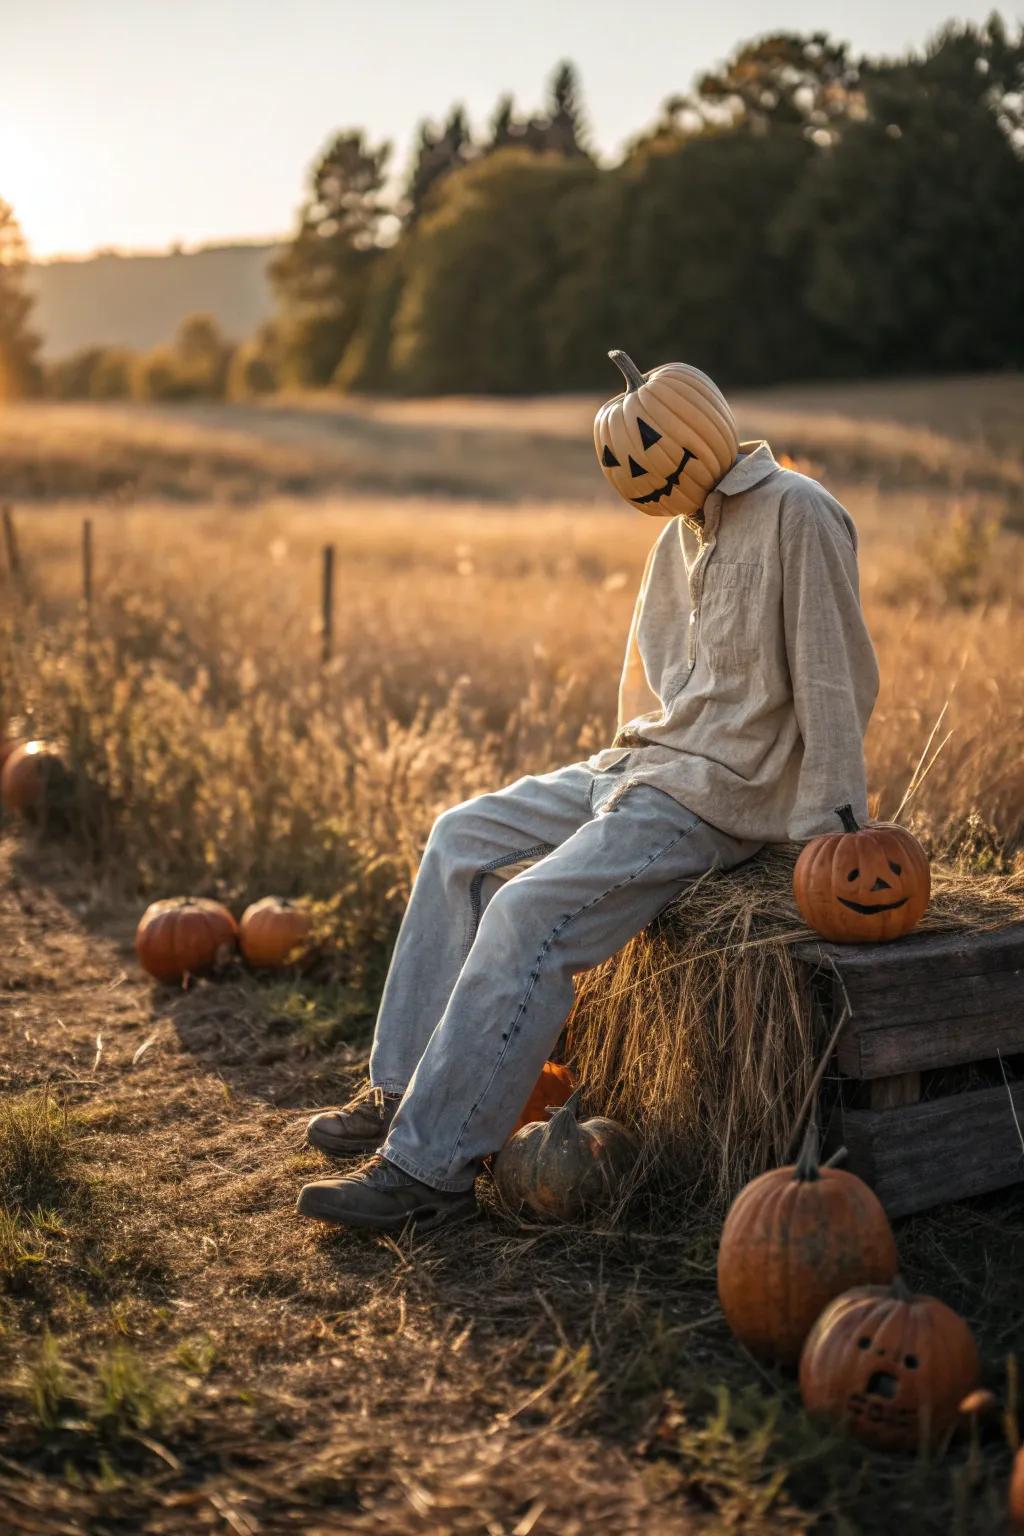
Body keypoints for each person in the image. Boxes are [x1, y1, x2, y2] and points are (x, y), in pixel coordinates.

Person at [296, 351, 879, 1232]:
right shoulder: (677, 534)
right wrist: (614, 781)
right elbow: (650, 686)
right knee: (459, 836)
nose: (635, 476)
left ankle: (428, 1171)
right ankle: (401, 1089)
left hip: (718, 796)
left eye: (648, 451)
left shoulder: (800, 512)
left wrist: (834, 831)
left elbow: (835, 680)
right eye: (620, 462)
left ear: (701, 425)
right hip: (641, 768)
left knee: (527, 913)